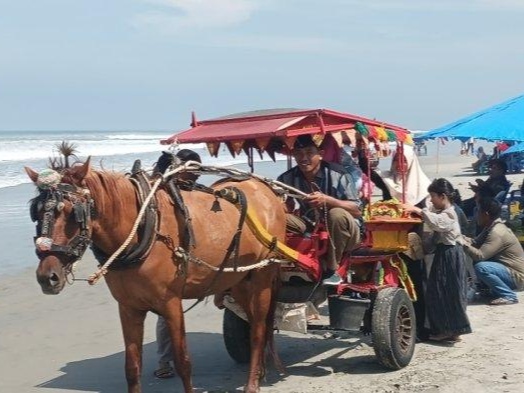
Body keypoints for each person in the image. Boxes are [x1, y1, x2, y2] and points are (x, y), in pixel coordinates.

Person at [277, 134, 362, 285]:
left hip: (347, 232)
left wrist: (328, 201)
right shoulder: (287, 178)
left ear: (321, 155)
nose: (304, 158)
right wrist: (280, 207)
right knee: (274, 216)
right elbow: (284, 204)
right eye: (298, 153)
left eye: (309, 153)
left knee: (336, 214)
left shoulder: (338, 174)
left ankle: (333, 270)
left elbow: (357, 209)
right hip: (309, 226)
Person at [402, 178, 472, 343]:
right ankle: (451, 330)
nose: (431, 200)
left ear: (442, 196)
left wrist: (419, 211)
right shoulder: (443, 211)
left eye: (433, 196)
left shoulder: (450, 213)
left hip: (450, 254)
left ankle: (447, 331)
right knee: (446, 292)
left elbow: (437, 224)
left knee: (441, 292)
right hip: (445, 253)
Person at [153, 148, 202, 379]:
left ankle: (166, 361)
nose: (195, 178)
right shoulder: (160, 197)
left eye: (197, 174)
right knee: (166, 313)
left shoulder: (192, 194)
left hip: (195, 260)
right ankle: (165, 360)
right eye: (192, 173)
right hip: (169, 263)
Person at [461, 197, 524, 305]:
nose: (476, 216)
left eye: (478, 212)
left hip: (517, 277)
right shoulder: (491, 226)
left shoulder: (497, 232)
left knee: (481, 267)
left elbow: (480, 256)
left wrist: (463, 243)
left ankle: (508, 295)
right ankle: (493, 291)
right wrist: (462, 238)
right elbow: (475, 242)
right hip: (507, 271)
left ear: (486, 214)